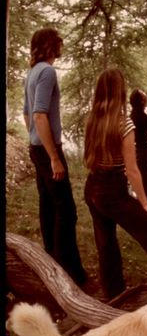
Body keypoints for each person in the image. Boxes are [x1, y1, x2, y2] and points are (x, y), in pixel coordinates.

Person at [83, 68, 147, 300]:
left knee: (106, 243)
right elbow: (132, 169)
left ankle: (113, 292)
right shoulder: (124, 124)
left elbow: (89, 158)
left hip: (93, 188)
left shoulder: (93, 119)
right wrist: (145, 203)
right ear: (120, 92)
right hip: (111, 191)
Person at [23, 28, 88, 285]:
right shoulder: (47, 71)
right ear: (50, 45)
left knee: (48, 206)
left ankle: (51, 263)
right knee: (66, 209)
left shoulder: (32, 72)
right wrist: (53, 156)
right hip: (46, 149)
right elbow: (38, 114)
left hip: (36, 146)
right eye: (58, 40)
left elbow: (27, 114)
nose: (62, 44)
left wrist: (34, 141)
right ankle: (69, 273)